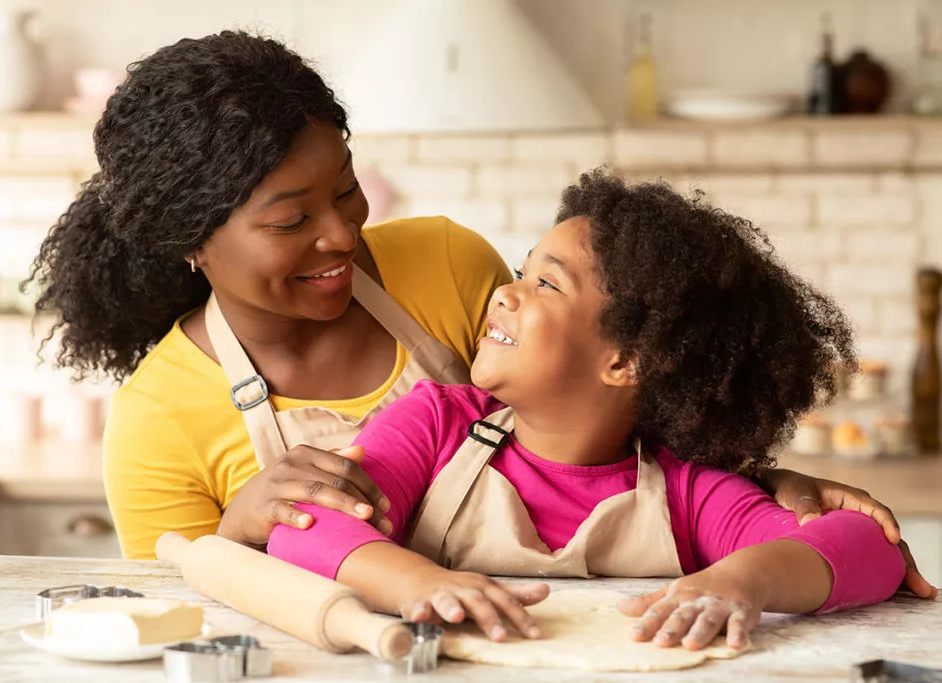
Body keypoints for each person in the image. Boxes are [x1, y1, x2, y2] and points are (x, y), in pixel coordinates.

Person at [27, 31, 933, 599]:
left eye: (346, 192)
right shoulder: (159, 416)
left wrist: (762, 489)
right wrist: (241, 531)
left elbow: (598, 379)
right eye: (292, 220)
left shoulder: (448, 264)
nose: (343, 233)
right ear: (191, 240)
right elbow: (169, 619)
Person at [267, 170, 908, 650]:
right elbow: (309, 526)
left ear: (626, 362)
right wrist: (415, 583)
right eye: (520, 273)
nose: (504, 295)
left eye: (545, 283)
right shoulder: (435, 424)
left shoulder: (687, 490)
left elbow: (869, 550)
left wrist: (744, 581)